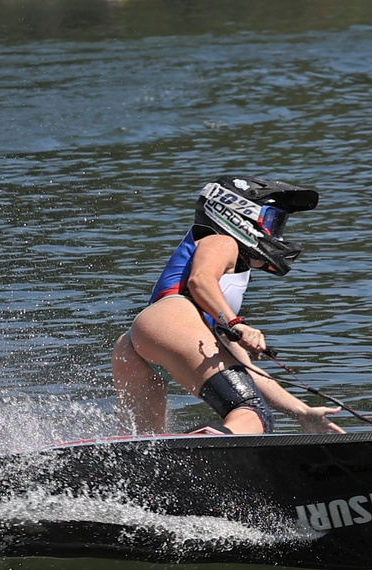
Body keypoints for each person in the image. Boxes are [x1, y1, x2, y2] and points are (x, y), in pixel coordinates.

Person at [111, 176, 342, 437]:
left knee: (147, 446)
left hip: (138, 342)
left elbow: (247, 371)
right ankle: (203, 447)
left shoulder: (221, 296)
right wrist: (236, 323)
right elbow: (200, 281)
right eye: (272, 222)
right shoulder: (222, 241)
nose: (276, 233)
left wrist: (302, 412)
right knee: (252, 413)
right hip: (173, 320)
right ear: (237, 216)